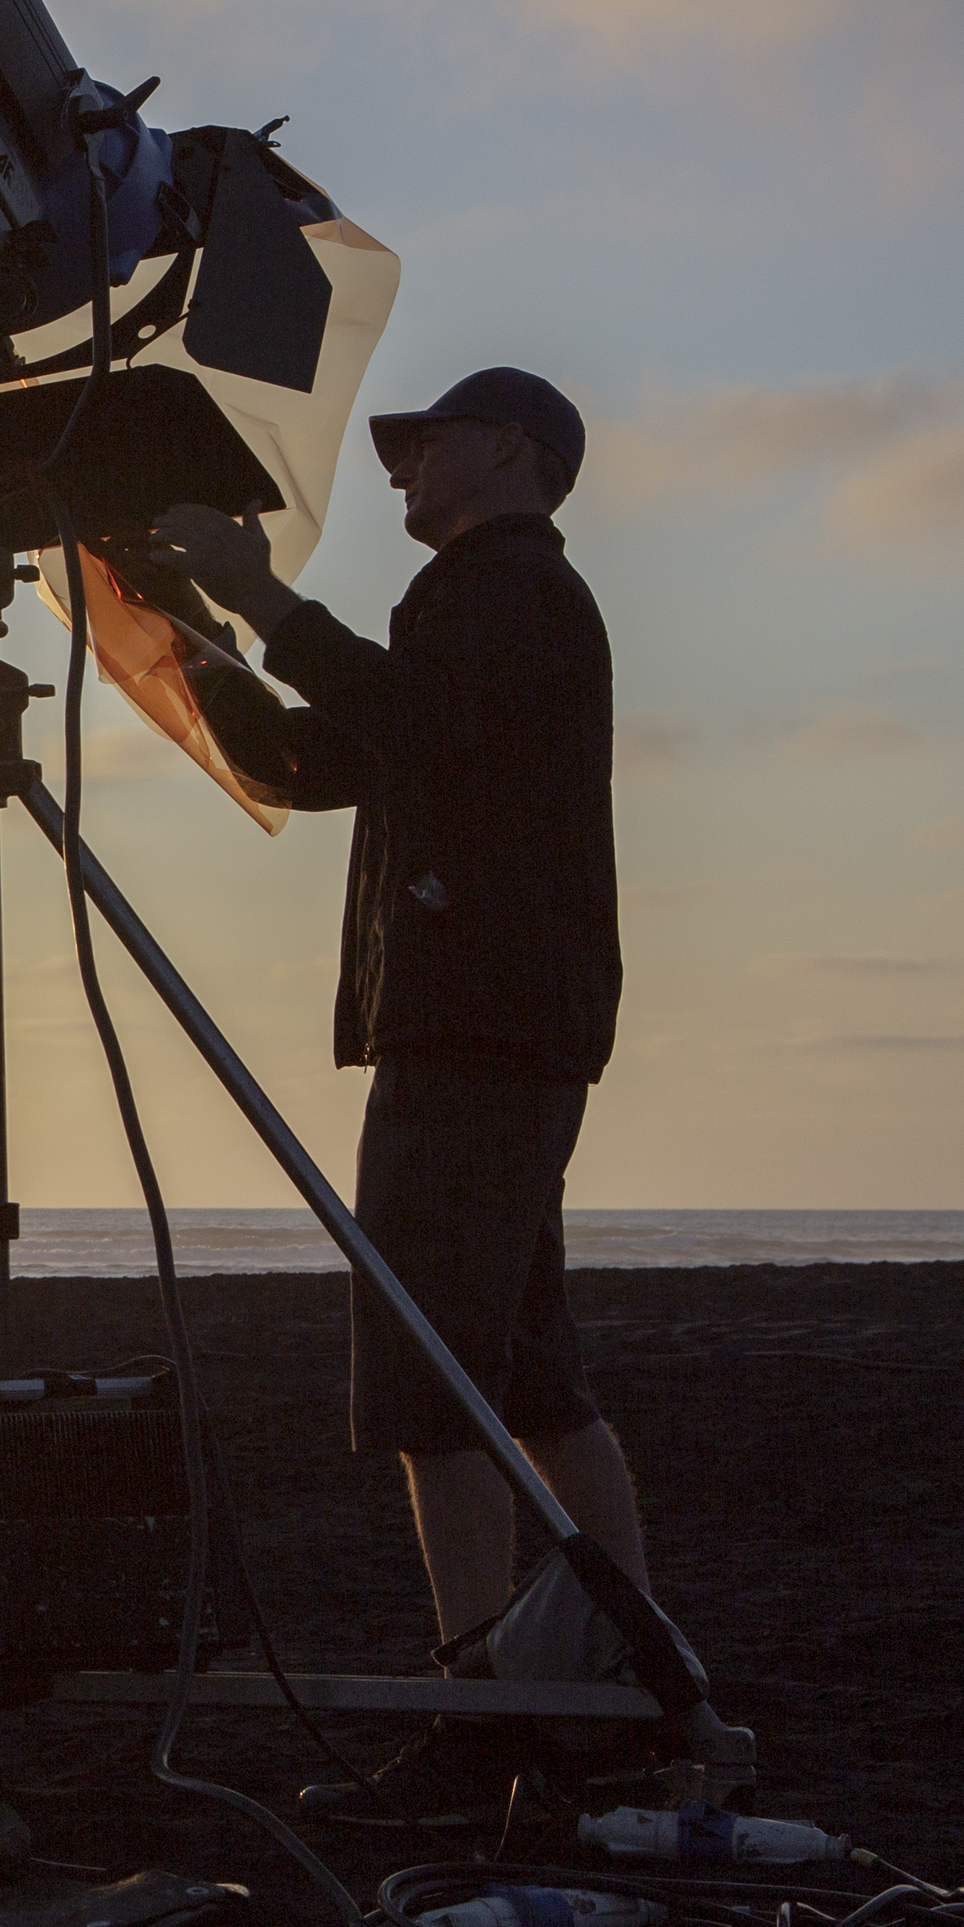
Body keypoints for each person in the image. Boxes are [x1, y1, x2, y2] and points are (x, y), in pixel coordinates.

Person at [146, 365, 646, 1826]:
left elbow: (403, 718)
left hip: (479, 1029)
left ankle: (485, 1715)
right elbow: (317, 763)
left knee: (435, 1378)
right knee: (529, 1372)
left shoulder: (514, 593)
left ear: (510, 451)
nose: (399, 470)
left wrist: (256, 595)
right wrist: (194, 634)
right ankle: (623, 1674)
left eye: (423, 445)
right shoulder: (483, 608)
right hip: (505, 1027)